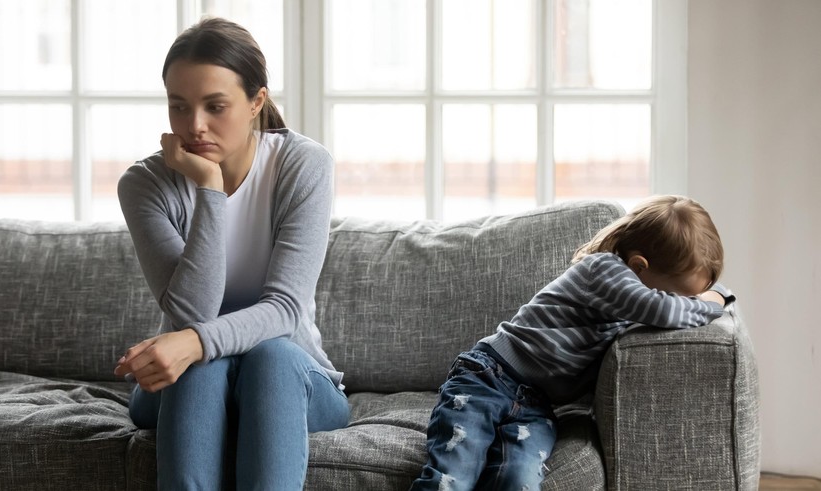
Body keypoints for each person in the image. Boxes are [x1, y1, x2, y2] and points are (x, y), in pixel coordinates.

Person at [113, 17, 348, 490]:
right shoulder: (145, 185)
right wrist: (209, 188)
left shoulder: (303, 166)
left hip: (287, 379)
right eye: (178, 107)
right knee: (200, 366)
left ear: (256, 101)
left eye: (215, 106)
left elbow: (283, 310)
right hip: (185, 384)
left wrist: (193, 342)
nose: (194, 126)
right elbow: (192, 312)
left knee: (272, 357)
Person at [409, 195, 735, 491]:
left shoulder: (629, 296)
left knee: (518, 478)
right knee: (452, 475)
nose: (685, 304)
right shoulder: (606, 271)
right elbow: (664, 310)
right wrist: (716, 299)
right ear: (639, 266)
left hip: (537, 404)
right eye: (682, 295)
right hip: (489, 377)